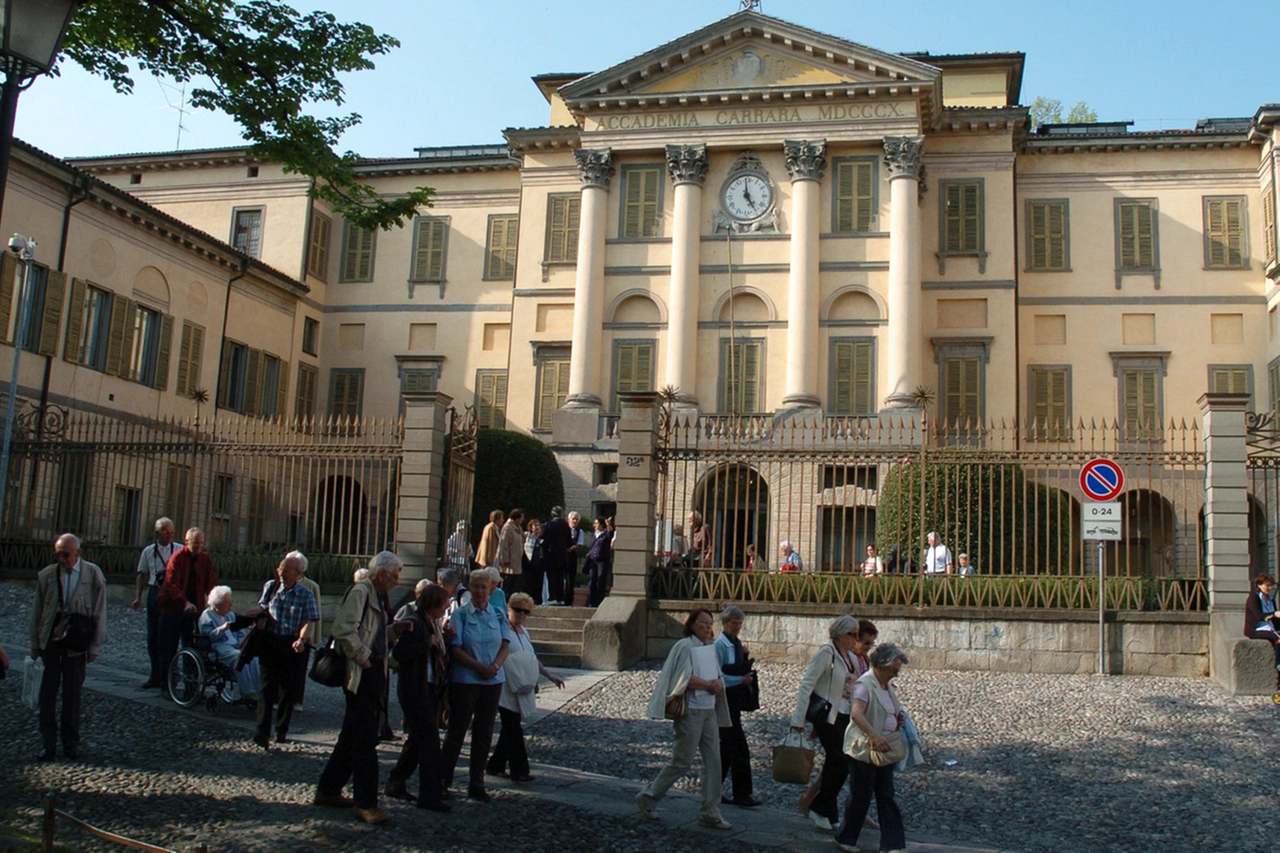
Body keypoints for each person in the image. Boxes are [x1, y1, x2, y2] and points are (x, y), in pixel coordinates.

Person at [315, 550, 402, 825]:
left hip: (372, 671)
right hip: (361, 671)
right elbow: (343, 629)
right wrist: (364, 658)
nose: (397, 582)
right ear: (382, 574)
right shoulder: (362, 592)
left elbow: (373, 632)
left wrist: (395, 631)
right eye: (395, 576)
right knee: (365, 739)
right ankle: (366, 804)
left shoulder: (378, 595)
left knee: (351, 735)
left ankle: (328, 790)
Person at [635, 609, 733, 831]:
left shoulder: (710, 647)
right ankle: (648, 797)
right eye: (703, 623)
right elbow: (682, 678)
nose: (708, 627)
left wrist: (718, 683)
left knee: (714, 762)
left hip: (709, 710)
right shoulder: (684, 646)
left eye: (710, 623)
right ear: (692, 624)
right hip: (690, 711)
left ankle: (710, 811)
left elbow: (716, 674)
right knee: (682, 761)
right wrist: (709, 685)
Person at [28, 533, 106, 761]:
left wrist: (95, 646)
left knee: (73, 694)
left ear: (78, 553)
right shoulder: (47, 575)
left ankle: (71, 742)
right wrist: (35, 643)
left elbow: (100, 611)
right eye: (58, 554)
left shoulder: (92, 575)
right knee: (47, 693)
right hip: (51, 640)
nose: (61, 559)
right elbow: (37, 610)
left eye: (66, 554)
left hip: (77, 641)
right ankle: (48, 743)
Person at [441, 567, 511, 802]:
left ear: (491, 589)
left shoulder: (499, 614)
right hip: (466, 679)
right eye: (476, 587)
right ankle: (444, 779)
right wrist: (479, 667)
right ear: (469, 589)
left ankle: (476, 782)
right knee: (457, 730)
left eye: (484, 587)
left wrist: (495, 667)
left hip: (493, 680)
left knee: (484, 732)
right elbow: (455, 648)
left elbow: (505, 644)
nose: (480, 591)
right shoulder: (460, 614)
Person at [833, 643, 910, 853]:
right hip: (864, 748)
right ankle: (845, 838)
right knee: (861, 796)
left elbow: (887, 710)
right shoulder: (864, 685)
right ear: (882, 666)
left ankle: (893, 844)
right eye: (894, 669)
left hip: (884, 749)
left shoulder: (886, 686)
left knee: (887, 795)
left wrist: (897, 719)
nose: (897, 674)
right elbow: (857, 714)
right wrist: (875, 737)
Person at [790, 614, 862, 832]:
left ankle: (827, 811)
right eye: (852, 635)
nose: (856, 639)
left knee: (839, 763)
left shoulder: (853, 658)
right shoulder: (826, 653)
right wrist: (798, 720)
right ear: (840, 635)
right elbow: (807, 684)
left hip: (845, 716)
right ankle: (820, 807)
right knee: (839, 760)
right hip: (826, 715)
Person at [385, 582, 452, 813]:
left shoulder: (429, 622)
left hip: (427, 688)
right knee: (430, 743)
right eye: (443, 604)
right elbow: (400, 653)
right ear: (433, 604)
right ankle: (429, 794)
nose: (445, 608)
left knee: (416, 740)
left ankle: (396, 781)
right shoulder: (415, 622)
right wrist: (427, 643)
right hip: (415, 689)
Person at [487, 592, 565, 782]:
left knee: (510, 728)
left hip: (521, 684)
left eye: (525, 612)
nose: (521, 614)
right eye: (518, 610)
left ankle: (495, 765)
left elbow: (532, 658)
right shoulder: (502, 629)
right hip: (505, 685)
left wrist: (548, 675)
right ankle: (519, 770)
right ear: (509, 609)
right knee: (512, 727)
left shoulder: (524, 632)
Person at [253, 552, 319, 749]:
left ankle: (281, 730)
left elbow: (309, 620)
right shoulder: (271, 587)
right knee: (266, 688)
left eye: (286, 572)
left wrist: (301, 638)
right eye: (280, 570)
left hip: (291, 644)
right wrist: (261, 620)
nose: (281, 575)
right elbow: (261, 607)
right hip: (271, 641)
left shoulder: (306, 594)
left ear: (298, 574)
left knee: (287, 691)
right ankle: (262, 732)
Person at [157, 527, 218, 683]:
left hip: (194, 609)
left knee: (192, 646)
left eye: (201, 543)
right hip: (173, 608)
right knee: (169, 648)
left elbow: (211, 583)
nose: (198, 546)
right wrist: (184, 602)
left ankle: (191, 686)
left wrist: (216, 600)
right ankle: (167, 684)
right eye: (195, 543)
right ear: (186, 542)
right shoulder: (177, 558)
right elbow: (171, 584)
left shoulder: (205, 559)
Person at [715, 606, 758, 807]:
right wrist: (741, 680)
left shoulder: (735, 643)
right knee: (734, 747)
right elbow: (718, 675)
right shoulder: (721, 645)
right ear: (724, 623)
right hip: (724, 699)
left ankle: (718, 789)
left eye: (740, 623)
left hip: (733, 701)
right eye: (734, 623)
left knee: (729, 748)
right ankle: (739, 793)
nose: (737, 627)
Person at [130, 517, 180, 689]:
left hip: (170, 596)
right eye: (165, 532)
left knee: (167, 637)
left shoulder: (179, 550)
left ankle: (168, 676)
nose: (169, 536)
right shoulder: (148, 551)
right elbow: (141, 574)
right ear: (157, 533)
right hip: (154, 592)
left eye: (172, 532)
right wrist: (138, 596)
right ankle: (155, 675)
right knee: (152, 638)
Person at [199, 585, 260, 701]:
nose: (231, 606)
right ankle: (248, 692)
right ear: (218, 604)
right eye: (228, 603)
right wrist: (222, 629)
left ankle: (258, 690)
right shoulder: (207, 616)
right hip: (218, 647)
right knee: (240, 658)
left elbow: (240, 633)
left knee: (252, 656)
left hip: (234, 646)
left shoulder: (229, 614)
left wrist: (243, 642)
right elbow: (207, 638)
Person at [290, 549, 322, 713]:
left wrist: (312, 636)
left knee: (300, 669)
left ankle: (297, 700)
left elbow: (316, 615)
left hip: (304, 634)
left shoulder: (311, 587)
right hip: (286, 632)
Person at [1245, 573, 1280, 670]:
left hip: (1270, 627)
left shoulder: (1271, 599)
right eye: (1267, 585)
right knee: (1276, 637)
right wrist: (1274, 614)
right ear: (1259, 585)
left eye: (1271, 585)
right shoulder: (1253, 599)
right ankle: (1278, 663)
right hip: (1257, 628)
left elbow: (1275, 620)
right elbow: (1258, 616)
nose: (1269, 588)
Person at [539, 507, 572, 605]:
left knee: (551, 576)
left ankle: (552, 597)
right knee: (560, 577)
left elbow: (541, 539)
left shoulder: (548, 525)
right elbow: (569, 541)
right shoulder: (565, 525)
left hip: (550, 554)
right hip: (562, 555)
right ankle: (560, 598)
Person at [584, 516, 612, 607]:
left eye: (596, 523)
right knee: (592, 580)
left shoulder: (605, 534)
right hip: (593, 560)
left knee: (601, 580)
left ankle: (599, 601)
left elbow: (610, 534)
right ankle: (591, 601)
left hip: (602, 560)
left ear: (601, 524)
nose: (594, 525)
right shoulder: (594, 534)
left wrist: (608, 525)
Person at [498, 508, 526, 594]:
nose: (523, 520)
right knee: (508, 583)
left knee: (515, 583)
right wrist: (504, 559)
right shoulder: (508, 528)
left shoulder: (518, 528)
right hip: (509, 562)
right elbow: (504, 544)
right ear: (517, 518)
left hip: (516, 561)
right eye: (521, 517)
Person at [565, 511, 588, 605]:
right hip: (562, 556)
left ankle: (569, 600)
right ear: (568, 519)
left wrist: (571, 548)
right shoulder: (564, 529)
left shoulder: (580, 531)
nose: (574, 521)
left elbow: (579, 544)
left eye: (576, 519)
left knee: (571, 578)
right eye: (573, 519)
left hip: (572, 556)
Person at [523, 518, 546, 605]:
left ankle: (537, 600)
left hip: (539, 562)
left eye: (538, 526)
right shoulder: (527, 535)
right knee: (528, 581)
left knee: (538, 582)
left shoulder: (542, 538)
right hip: (529, 561)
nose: (537, 527)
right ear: (531, 527)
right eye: (535, 525)